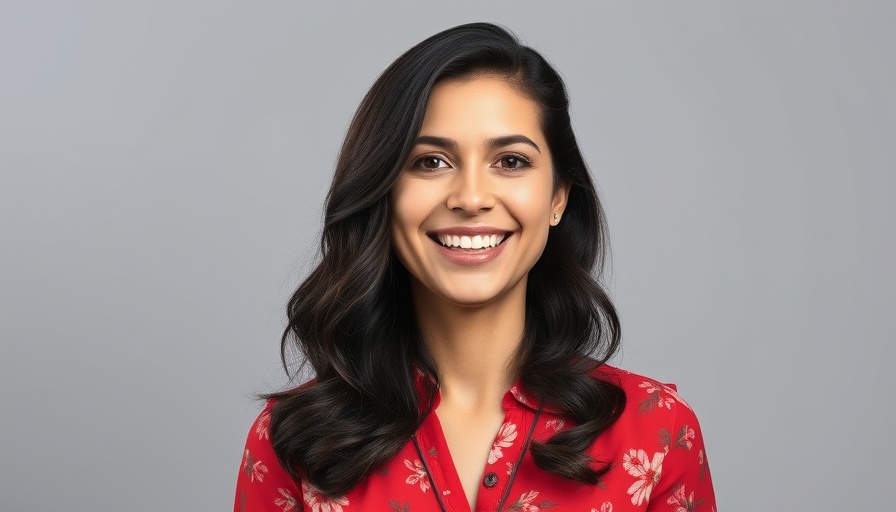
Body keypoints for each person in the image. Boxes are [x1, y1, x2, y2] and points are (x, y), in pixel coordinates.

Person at [235, 22, 716, 512]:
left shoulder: (657, 435)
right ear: (384, 194)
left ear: (557, 199)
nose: (470, 198)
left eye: (510, 161)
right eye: (431, 162)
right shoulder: (293, 442)